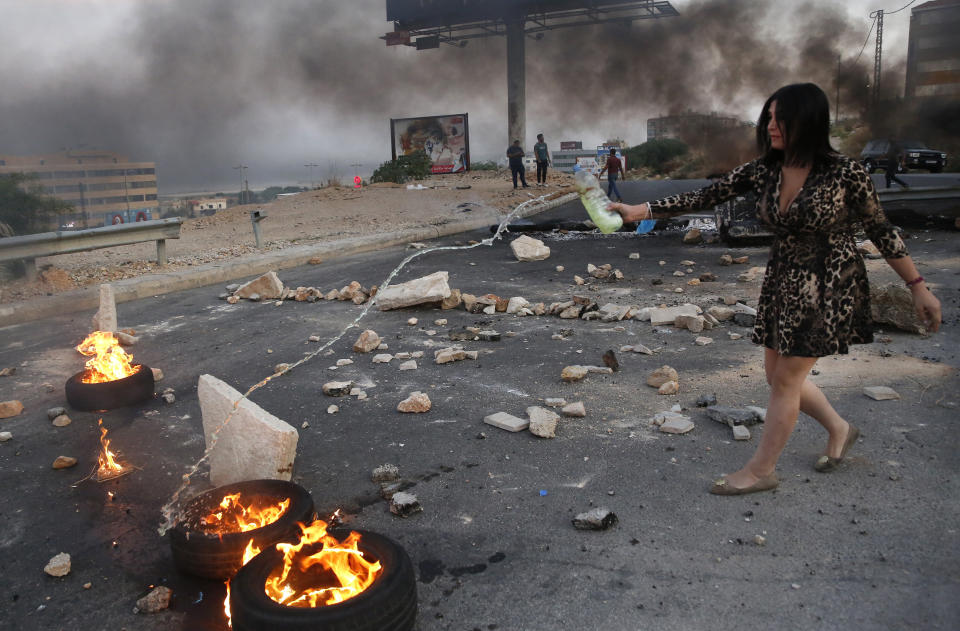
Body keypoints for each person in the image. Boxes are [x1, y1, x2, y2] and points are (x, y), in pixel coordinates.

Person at [608, 83, 941, 495]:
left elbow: (881, 230)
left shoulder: (846, 172)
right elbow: (709, 193)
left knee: (786, 380)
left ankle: (761, 470)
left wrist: (917, 287)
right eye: (768, 117)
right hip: (783, 281)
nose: (770, 125)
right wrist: (639, 210)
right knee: (777, 376)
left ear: (807, 121)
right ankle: (840, 428)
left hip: (828, 285)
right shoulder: (766, 168)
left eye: (779, 117)